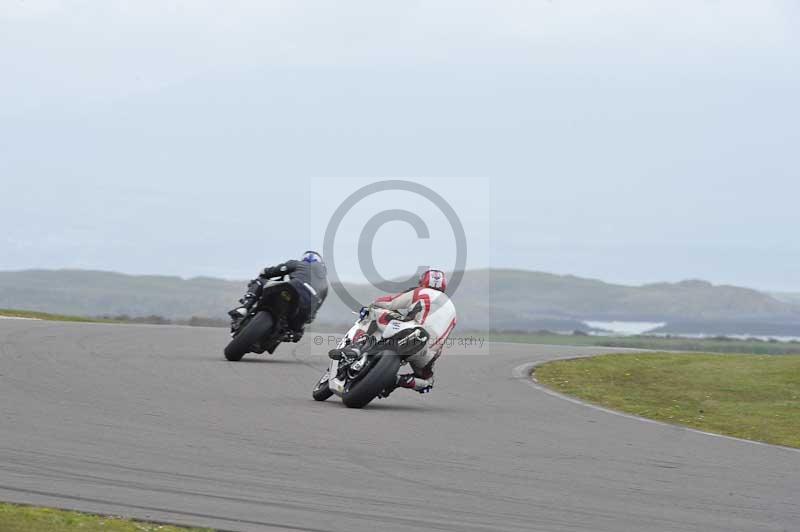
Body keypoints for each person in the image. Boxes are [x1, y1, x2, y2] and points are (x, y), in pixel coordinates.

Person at [331, 268, 457, 395]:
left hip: (413, 332)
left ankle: (356, 347)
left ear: (423, 281)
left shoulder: (420, 292)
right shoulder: (453, 311)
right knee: (428, 382)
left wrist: (370, 306)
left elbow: (390, 303)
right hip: (428, 354)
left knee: (374, 311)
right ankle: (398, 381)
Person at [228, 251, 328, 341]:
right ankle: (289, 332)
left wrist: (264, 273)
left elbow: (268, 272)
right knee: (296, 331)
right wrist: (303, 324)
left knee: (259, 281)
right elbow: (315, 310)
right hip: (306, 307)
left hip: (292, 288)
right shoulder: (325, 284)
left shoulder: (298, 264)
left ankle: (245, 307)